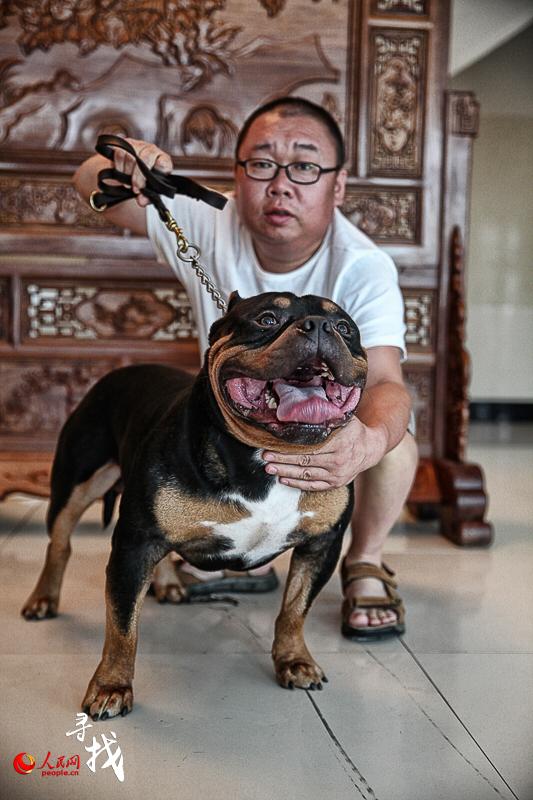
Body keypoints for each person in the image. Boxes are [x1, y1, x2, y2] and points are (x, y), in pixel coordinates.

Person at [73, 96, 418, 640]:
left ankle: (365, 561)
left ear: (339, 185)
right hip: (228, 416)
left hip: (317, 422)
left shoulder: (364, 265)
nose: (281, 184)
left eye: (305, 166)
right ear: (237, 176)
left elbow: (385, 383)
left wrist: (368, 444)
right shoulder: (208, 219)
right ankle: (239, 543)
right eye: (262, 164)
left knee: (398, 443)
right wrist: (124, 167)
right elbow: (88, 180)